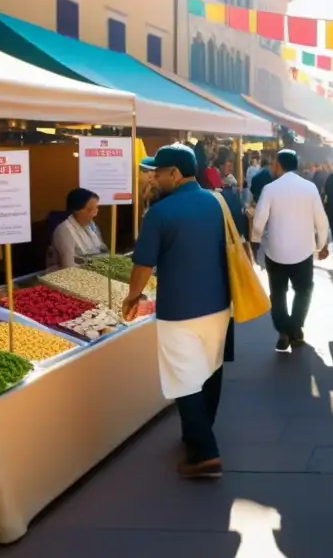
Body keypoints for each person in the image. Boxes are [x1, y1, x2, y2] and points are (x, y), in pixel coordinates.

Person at [121, 144, 231, 479]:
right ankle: (199, 433)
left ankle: (206, 454)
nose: (152, 177)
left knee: (183, 378)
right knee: (210, 370)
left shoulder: (161, 213)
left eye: (157, 171)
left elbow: (143, 264)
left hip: (179, 308)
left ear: (175, 173)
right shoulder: (218, 201)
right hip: (219, 303)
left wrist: (132, 296)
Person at [253, 149, 330, 351]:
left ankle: (283, 330)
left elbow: (259, 220)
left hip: (275, 251)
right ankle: (295, 328)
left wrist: (255, 241)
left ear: (278, 165)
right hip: (303, 251)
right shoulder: (310, 188)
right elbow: (321, 221)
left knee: (278, 293)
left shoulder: (270, 189)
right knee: (303, 291)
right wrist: (321, 245)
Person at [49, 188, 107, 268]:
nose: (95, 214)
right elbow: (68, 266)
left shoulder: (92, 227)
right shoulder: (64, 231)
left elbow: (103, 250)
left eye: (96, 208)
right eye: (90, 210)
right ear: (76, 210)